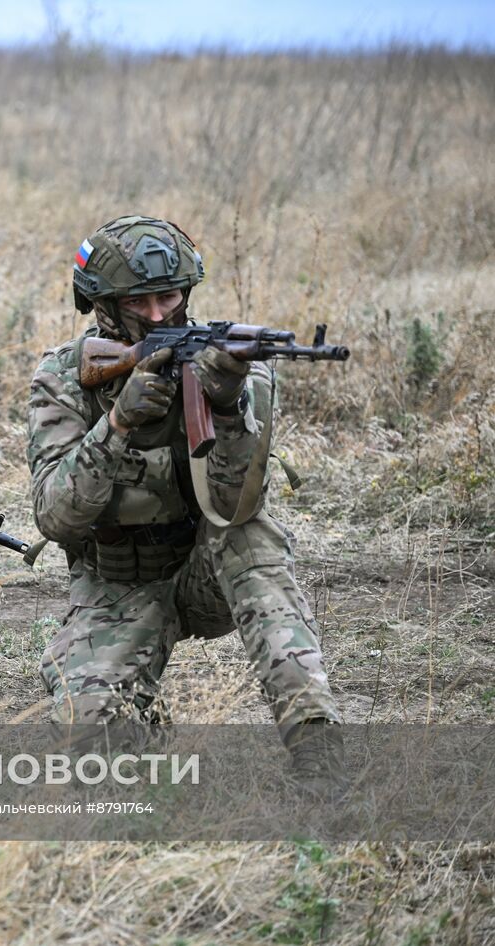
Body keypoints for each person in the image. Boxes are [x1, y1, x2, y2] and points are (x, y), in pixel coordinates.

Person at [26, 214, 344, 788]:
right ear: (102, 305)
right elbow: (54, 514)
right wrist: (118, 424)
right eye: (139, 302)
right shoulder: (66, 378)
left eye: (169, 297)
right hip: (116, 585)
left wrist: (226, 406)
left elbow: (235, 503)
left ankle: (316, 741)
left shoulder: (238, 372)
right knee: (87, 745)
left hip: (209, 574)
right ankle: (142, 724)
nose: (157, 315)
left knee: (250, 533)